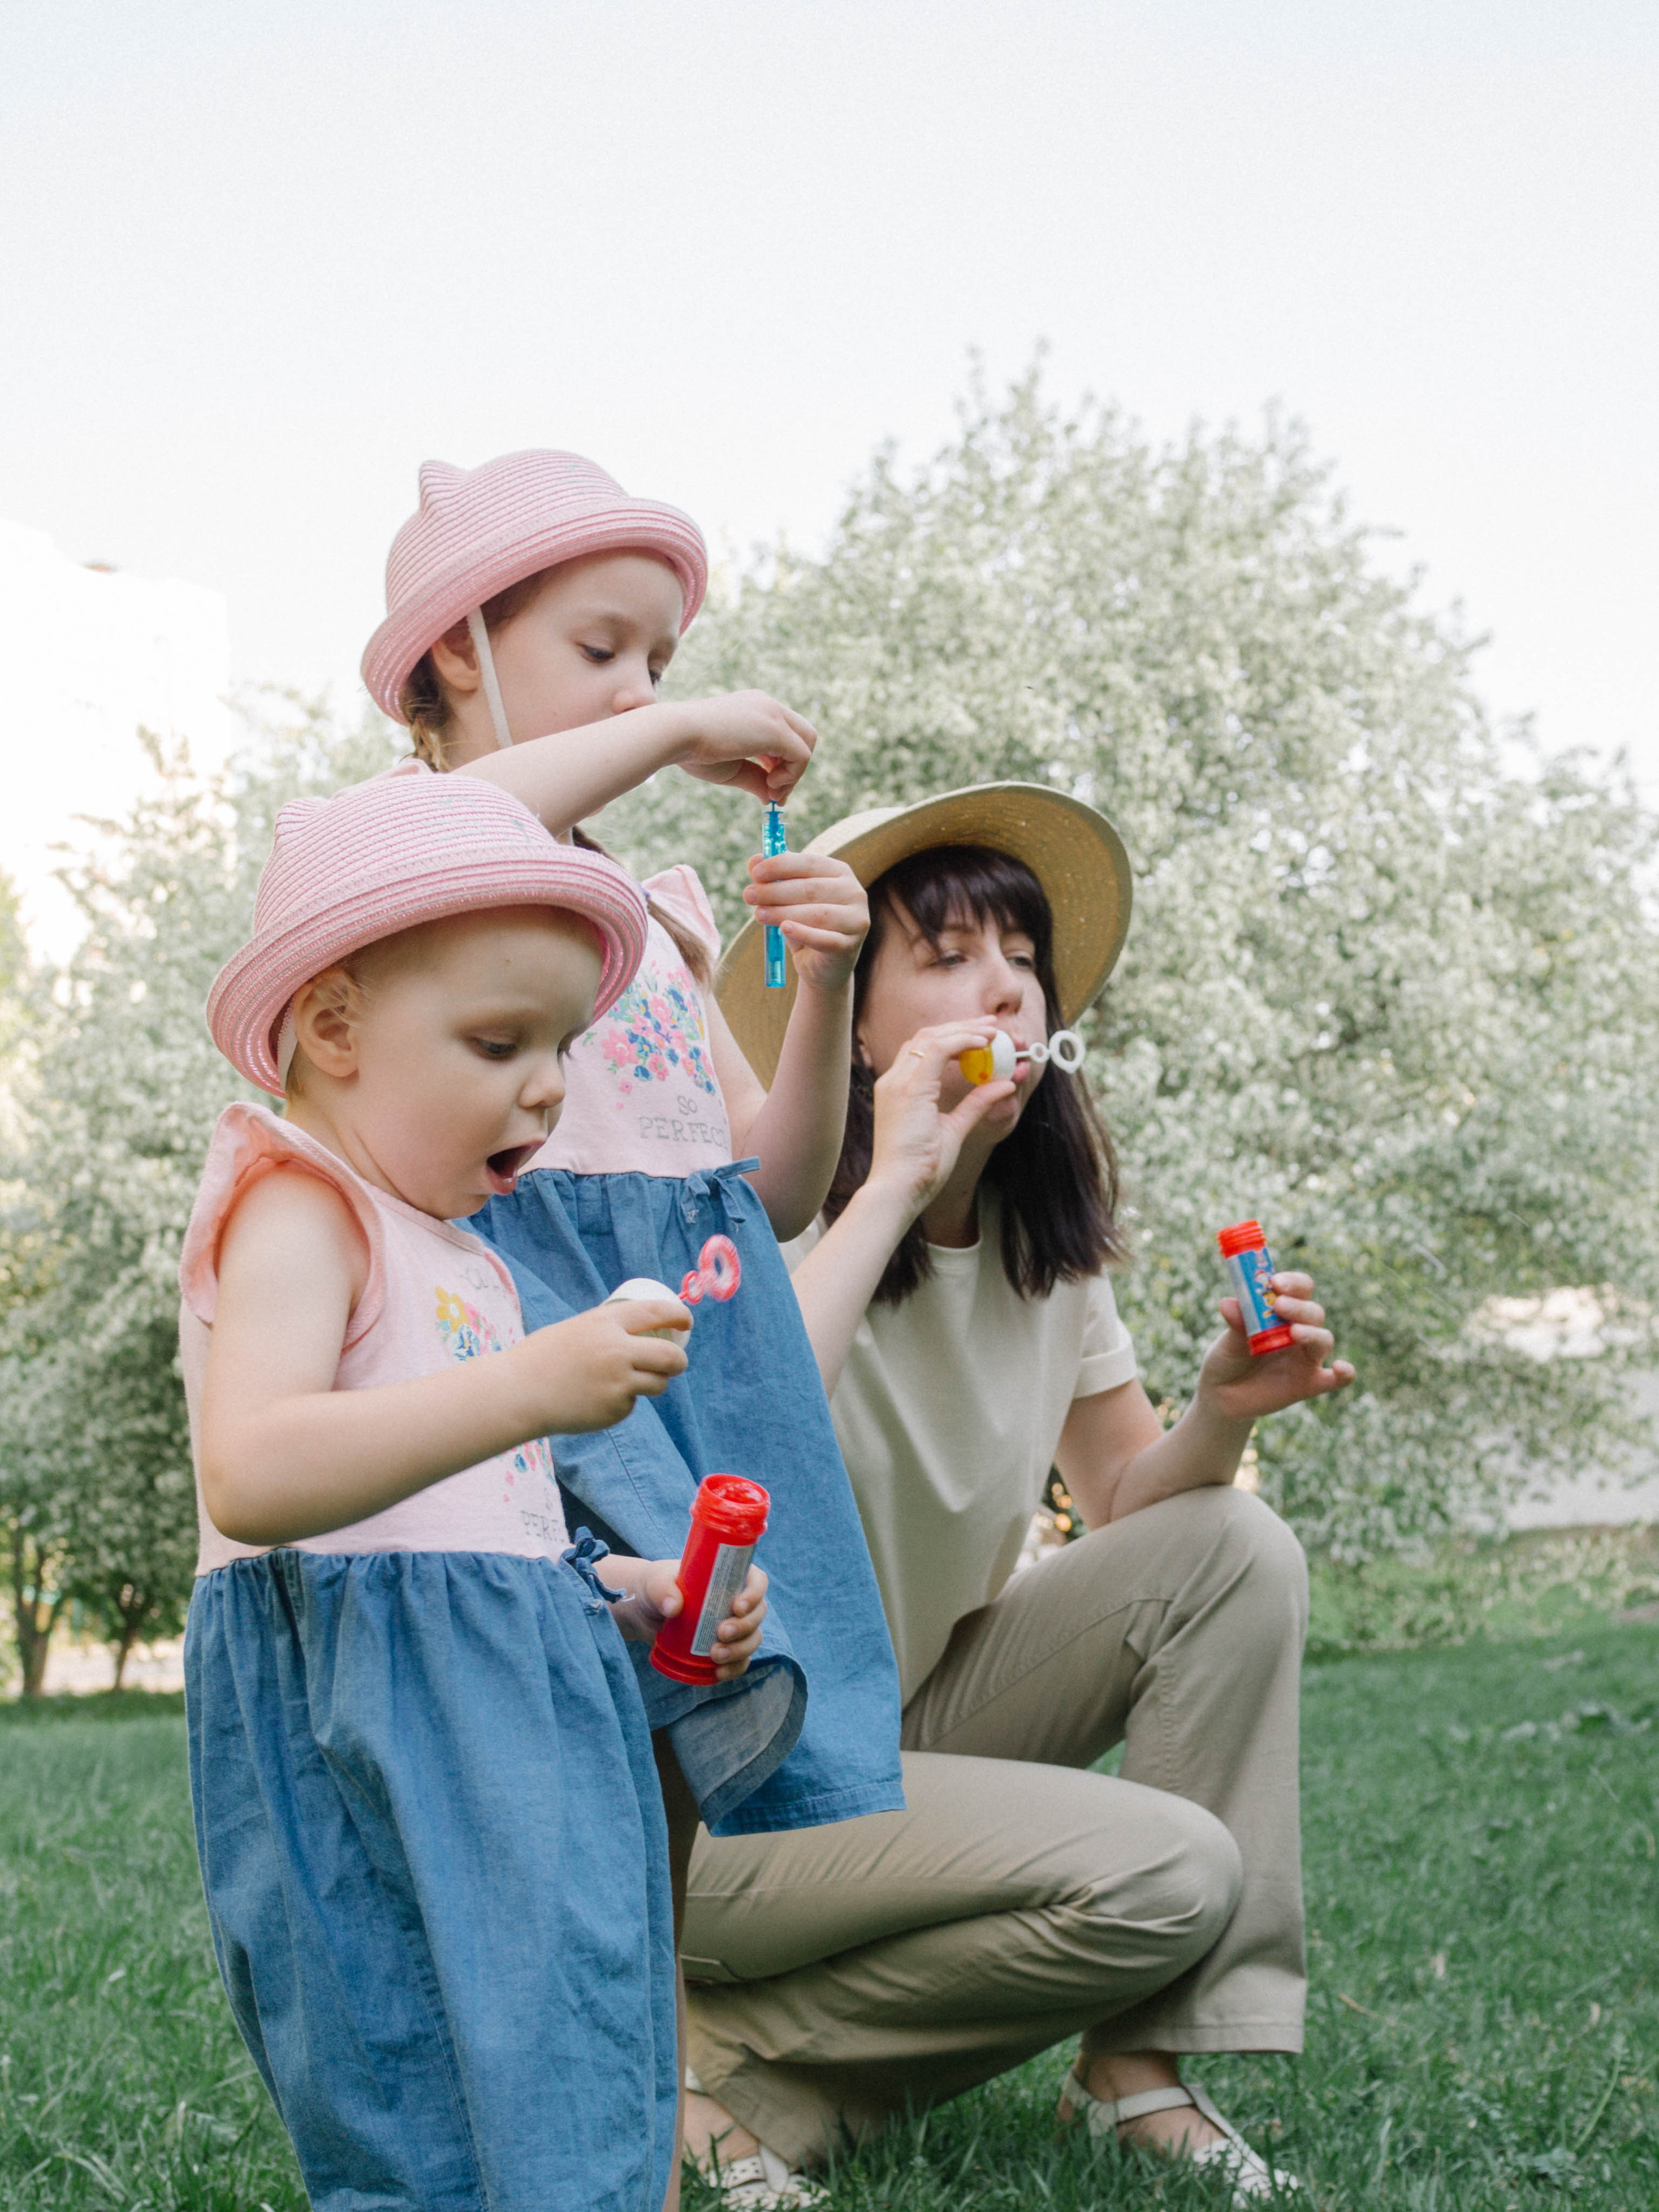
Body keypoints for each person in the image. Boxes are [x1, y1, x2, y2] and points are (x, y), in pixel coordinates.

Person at [357, 451, 906, 2207]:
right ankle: (557, 2083)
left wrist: (820, 986)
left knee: (688, 1676)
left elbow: (776, 1179)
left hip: (701, 1320)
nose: (645, 695)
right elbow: (485, 816)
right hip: (536, 1316)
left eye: (663, 666)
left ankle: (652, 2076)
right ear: (455, 655)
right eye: (606, 649)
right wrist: (677, 736)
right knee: (572, 1694)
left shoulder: (663, 909)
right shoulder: (416, 860)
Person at [686, 782, 1354, 2204]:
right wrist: (893, 1179)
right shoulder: (769, 1219)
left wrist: (1220, 1414)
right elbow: (740, 1450)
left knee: (1230, 1544)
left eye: (1019, 953)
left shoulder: (1037, 1242)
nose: (1001, 981)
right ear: (851, 1023)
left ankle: (1134, 2075)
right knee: (1169, 1873)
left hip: (905, 1721)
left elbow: (1129, 1500)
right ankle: (708, 2065)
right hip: (735, 1788)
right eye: (941, 955)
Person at [180, 768, 774, 2212]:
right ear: (330, 1028)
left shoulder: (453, 1245)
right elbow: (257, 1471)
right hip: (371, 1696)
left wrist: (615, 1588)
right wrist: (527, 1388)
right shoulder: (300, 1204)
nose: (548, 1087)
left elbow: (469, 1513)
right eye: (497, 1040)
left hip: (502, 1685)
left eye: (562, 1045)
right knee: (413, 2049)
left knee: (564, 2016)